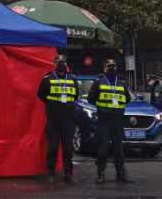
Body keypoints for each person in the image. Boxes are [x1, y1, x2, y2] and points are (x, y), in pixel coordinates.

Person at [37, 53, 79, 184]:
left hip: (68, 119)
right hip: (53, 119)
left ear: (66, 64)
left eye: (63, 62)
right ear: (54, 64)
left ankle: (68, 174)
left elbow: (75, 95)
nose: (61, 64)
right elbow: (40, 94)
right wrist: (52, 104)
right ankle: (51, 173)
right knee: (53, 147)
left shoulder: (72, 79)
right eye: (59, 62)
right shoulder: (47, 78)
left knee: (68, 148)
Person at [87, 59, 131, 184]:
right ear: (104, 68)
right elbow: (91, 99)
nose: (112, 68)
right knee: (103, 149)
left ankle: (120, 173)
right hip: (104, 120)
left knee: (118, 148)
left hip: (117, 120)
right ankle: (100, 173)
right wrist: (102, 108)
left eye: (113, 66)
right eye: (109, 66)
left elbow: (127, 99)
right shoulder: (98, 82)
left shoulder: (121, 83)